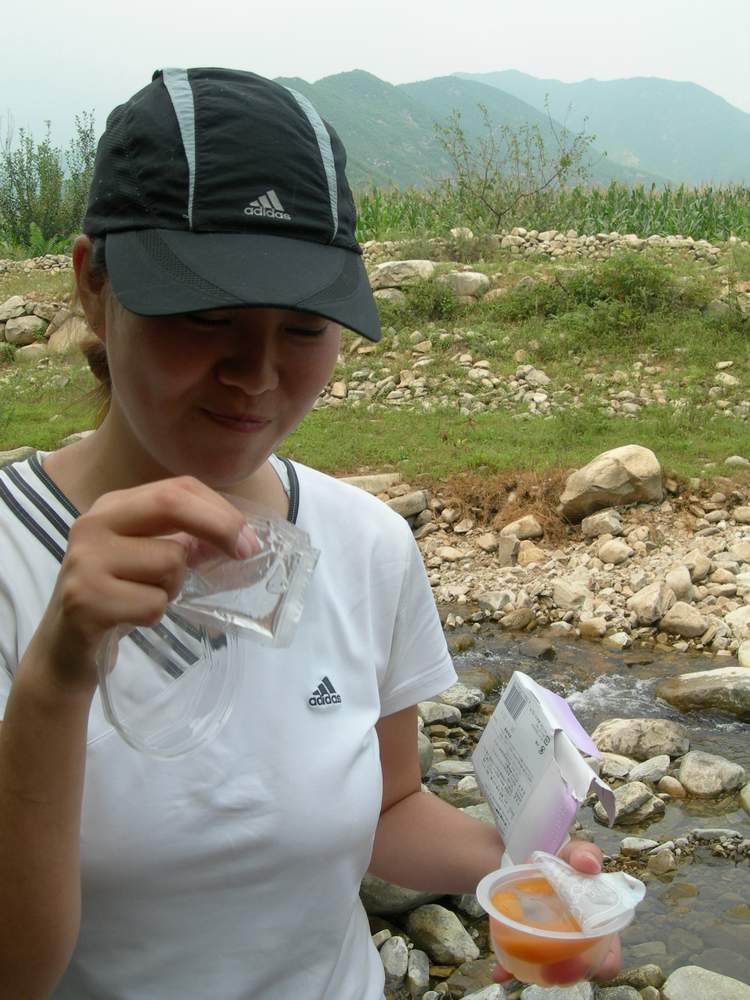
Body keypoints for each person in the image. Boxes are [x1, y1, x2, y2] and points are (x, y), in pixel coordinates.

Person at [0, 67, 619, 999]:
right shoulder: (12, 559)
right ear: (93, 283)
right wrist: (56, 676)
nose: (254, 374)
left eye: (302, 328)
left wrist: (526, 876)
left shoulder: (366, 542)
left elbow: (390, 807)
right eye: (207, 315)